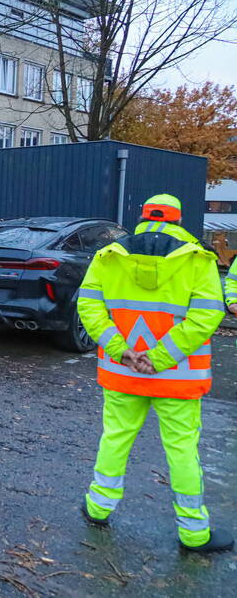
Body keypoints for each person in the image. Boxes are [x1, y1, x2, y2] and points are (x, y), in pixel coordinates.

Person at [77, 194, 232, 553]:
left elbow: (88, 305)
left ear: (142, 217)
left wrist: (122, 350)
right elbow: (206, 316)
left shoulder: (108, 256)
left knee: (115, 439)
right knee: (182, 450)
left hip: (123, 372)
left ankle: (98, 508)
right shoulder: (198, 259)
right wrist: (160, 358)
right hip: (180, 379)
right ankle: (194, 533)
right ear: (178, 220)